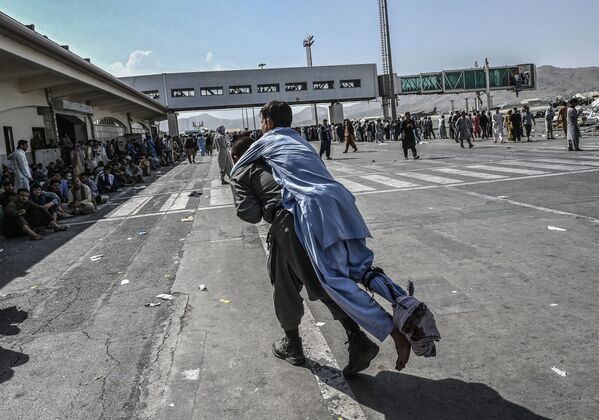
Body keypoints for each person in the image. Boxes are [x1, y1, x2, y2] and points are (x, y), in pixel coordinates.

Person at [231, 101, 440, 373]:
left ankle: (389, 332)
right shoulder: (298, 143)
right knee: (359, 270)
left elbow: (249, 213)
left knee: (324, 281)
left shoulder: (253, 155)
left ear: (267, 123)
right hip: (341, 204)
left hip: (301, 216)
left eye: (262, 123)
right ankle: (398, 305)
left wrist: (249, 186)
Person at [2, 188, 67, 240]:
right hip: (10, 231)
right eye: (22, 195)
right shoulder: (12, 204)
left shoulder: (27, 202)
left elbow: (39, 208)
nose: (24, 197)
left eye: (26, 196)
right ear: (17, 196)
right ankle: (33, 235)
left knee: (38, 210)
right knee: (18, 216)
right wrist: (19, 212)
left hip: (20, 229)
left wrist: (52, 220)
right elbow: (11, 214)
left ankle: (55, 225)